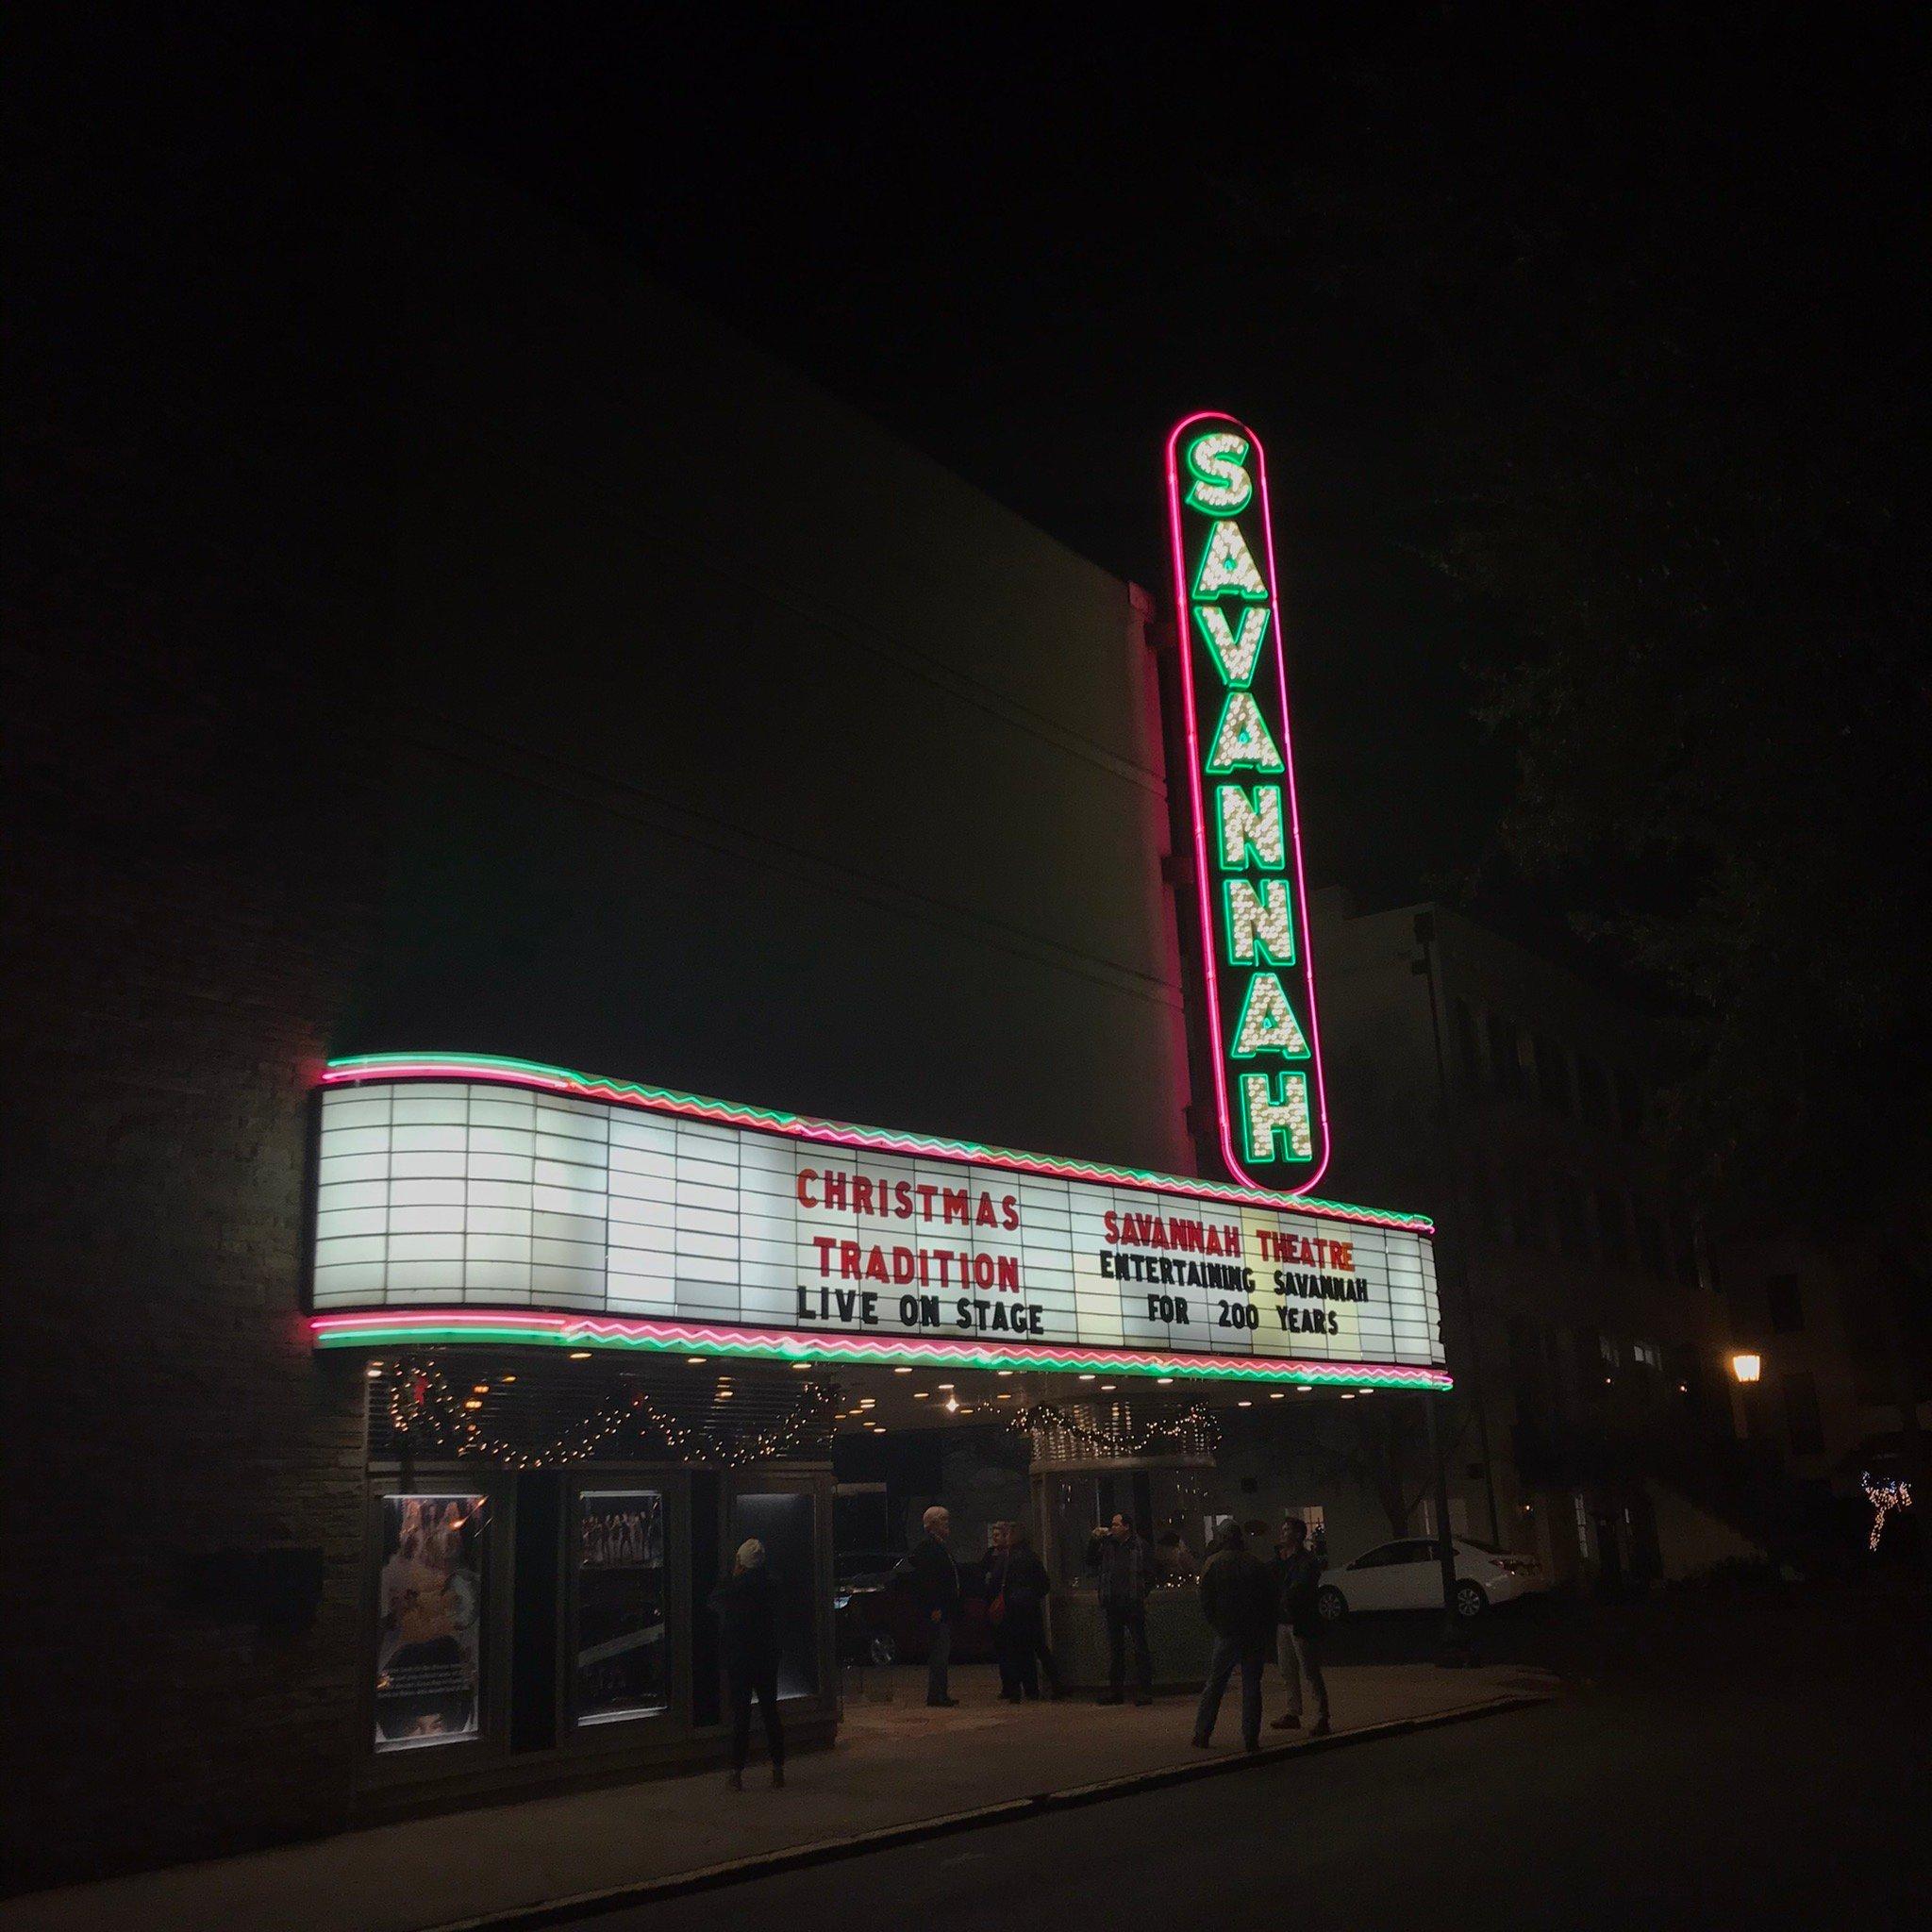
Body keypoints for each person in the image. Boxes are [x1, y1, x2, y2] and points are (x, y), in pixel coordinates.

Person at [1191, 1519, 1273, 1753]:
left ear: (1223, 1539)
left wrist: (1217, 1624)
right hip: (1253, 1631)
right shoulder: (1255, 1563)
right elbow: (1268, 1597)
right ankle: (1250, 1737)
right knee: (1251, 1686)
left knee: (1215, 1684)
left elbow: (1205, 1599)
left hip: (1227, 1632)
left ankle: (1202, 1733)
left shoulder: (1213, 1563)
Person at [710, 1538, 784, 1790]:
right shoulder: (773, 1586)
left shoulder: (733, 1589)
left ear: (741, 1562)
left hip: (740, 1660)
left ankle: (737, 1771)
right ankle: (778, 1768)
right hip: (766, 1658)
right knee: (770, 1712)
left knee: (741, 1716)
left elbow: (714, 1603)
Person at [1269, 1518, 1330, 1736]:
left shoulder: (1306, 1561)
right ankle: (1293, 1712)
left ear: (1297, 1534)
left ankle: (1322, 1716)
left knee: (1310, 1670)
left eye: (1287, 1530)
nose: (1283, 1533)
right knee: (1287, 1670)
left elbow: (1300, 1588)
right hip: (1283, 1621)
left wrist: (1283, 1599)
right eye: (1283, 1529)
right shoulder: (1279, 1559)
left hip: (1300, 1622)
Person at [1087, 1512, 1155, 1705]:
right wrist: (1094, 1541)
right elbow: (1090, 1560)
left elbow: (1150, 1573)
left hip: (1132, 1603)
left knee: (1139, 1647)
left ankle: (1144, 1691)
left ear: (1126, 1527)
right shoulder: (1107, 1545)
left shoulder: (1140, 1546)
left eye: (1116, 1525)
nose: (1112, 1528)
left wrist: (1141, 1593)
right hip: (1113, 1603)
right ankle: (1116, 1691)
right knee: (1116, 1649)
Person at [986, 1519, 1053, 1700]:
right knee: (1036, 1647)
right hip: (1031, 1607)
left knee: (1014, 1650)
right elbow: (1044, 1584)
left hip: (1012, 1609)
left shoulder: (1007, 1559)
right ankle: (1044, 1687)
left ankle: (1014, 1690)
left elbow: (994, 1583)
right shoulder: (1031, 1556)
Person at [906, 1504, 961, 1707]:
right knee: (939, 1652)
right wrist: (936, 1607)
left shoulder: (934, 1547)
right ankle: (938, 1694)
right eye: (944, 1521)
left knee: (940, 1652)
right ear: (934, 1524)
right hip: (938, 1610)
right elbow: (931, 1582)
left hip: (941, 1608)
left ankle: (938, 1693)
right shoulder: (931, 1549)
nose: (948, 1525)